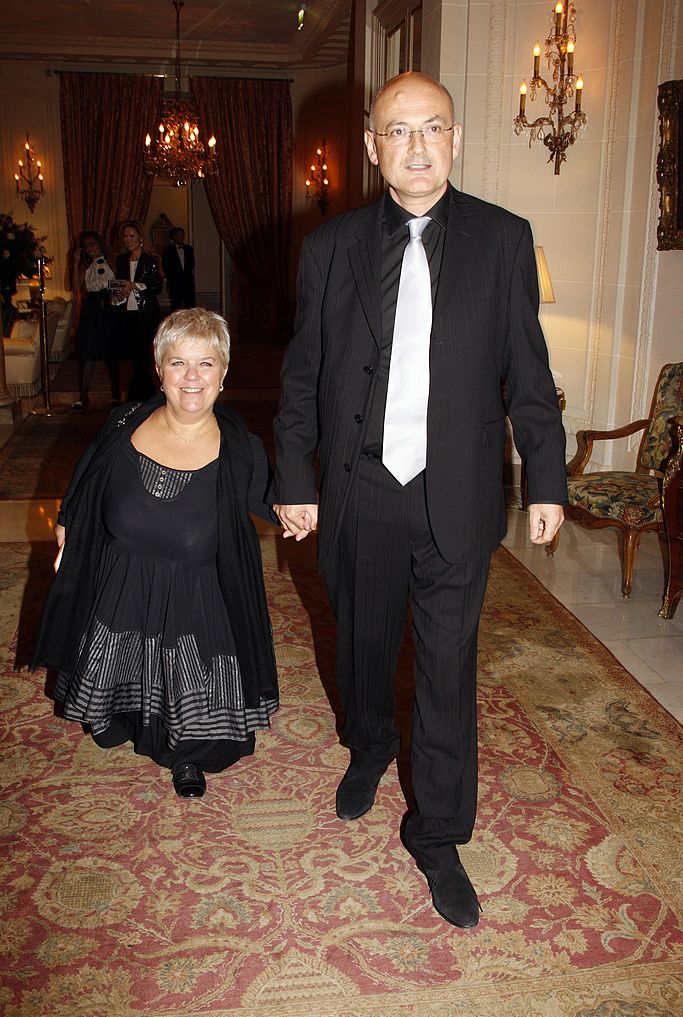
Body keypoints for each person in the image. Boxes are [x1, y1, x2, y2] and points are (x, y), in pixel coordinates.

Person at [272, 72, 567, 929]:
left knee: (446, 670)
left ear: (457, 136)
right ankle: (369, 746)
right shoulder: (329, 248)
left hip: (459, 493)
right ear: (373, 147)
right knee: (362, 649)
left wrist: (545, 478)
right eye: (397, 132)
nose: (416, 145)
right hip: (360, 490)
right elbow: (301, 376)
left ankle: (437, 834)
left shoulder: (503, 239)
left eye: (431, 127)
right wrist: (294, 477)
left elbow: (529, 370)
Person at [32, 308, 279, 799]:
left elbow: (275, 500)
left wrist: (306, 506)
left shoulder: (239, 448)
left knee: (200, 711)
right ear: (159, 369)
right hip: (122, 583)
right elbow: (85, 480)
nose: (192, 377)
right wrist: (68, 526)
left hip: (197, 596)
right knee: (114, 679)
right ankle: (121, 715)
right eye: (178, 363)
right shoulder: (123, 422)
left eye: (206, 364)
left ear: (224, 374)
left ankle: (184, 752)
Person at [111, 221, 162, 401]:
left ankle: (141, 394)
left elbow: (156, 288)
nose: (128, 240)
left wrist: (135, 286)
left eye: (132, 236)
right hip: (126, 312)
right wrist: (118, 294)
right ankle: (141, 393)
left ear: (140, 238)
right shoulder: (121, 260)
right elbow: (118, 285)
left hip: (145, 313)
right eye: (125, 236)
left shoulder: (151, 261)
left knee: (143, 355)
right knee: (133, 355)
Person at [71, 231, 118, 410]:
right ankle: (83, 396)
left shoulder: (112, 261)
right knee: (87, 353)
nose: (90, 249)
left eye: (93, 244)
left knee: (111, 352)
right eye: (86, 246)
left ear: (99, 243)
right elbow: (75, 287)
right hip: (91, 308)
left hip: (109, 306)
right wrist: (75, 263)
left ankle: (115, 395)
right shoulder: (84, 266)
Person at [162, 227, 196, 310]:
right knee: (176, 305)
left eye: (182, 235)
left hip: (188, 282)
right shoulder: (168, 250)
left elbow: (192, 264)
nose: (181, 237)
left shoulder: (189, 249)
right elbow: (166, 266)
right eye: (179, 235)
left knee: (190, 305)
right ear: (174, 237)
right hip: (175, 283)